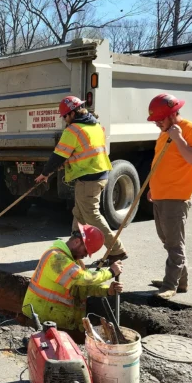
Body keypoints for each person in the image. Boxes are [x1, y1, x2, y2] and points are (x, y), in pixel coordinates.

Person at [34, 96, 127, 264]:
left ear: (71, 114)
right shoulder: (95, 126)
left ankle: (116, 250)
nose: (63, 120)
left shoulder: (73, 130)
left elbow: (58, 156)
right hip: (98, 174)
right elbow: (84, 151)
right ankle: (72, 251)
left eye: (64, 116)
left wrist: (45, 173)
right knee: (79, 215)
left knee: (91, 216)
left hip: (88, 179)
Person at [146, 94, 192, 299]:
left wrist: (179, 138)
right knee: (168, 240)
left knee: (174, 244)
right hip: (161, 194)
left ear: (172, 114)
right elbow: (163, 162)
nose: (157, 124)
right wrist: (153, 186)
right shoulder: (164, 132)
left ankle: (170, 284)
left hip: (176, 196)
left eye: (160, 120)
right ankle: (182, 281)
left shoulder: (189, 130)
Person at [22, 224, 123, 334]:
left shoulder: (75, 263)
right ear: (77, 242)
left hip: (60, 322)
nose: (84, 256)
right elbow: (82, 278)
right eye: (85, 251)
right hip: (40, 321)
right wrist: (110, 272)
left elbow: (85, 286)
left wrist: (107, 290)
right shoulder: (55, 257)